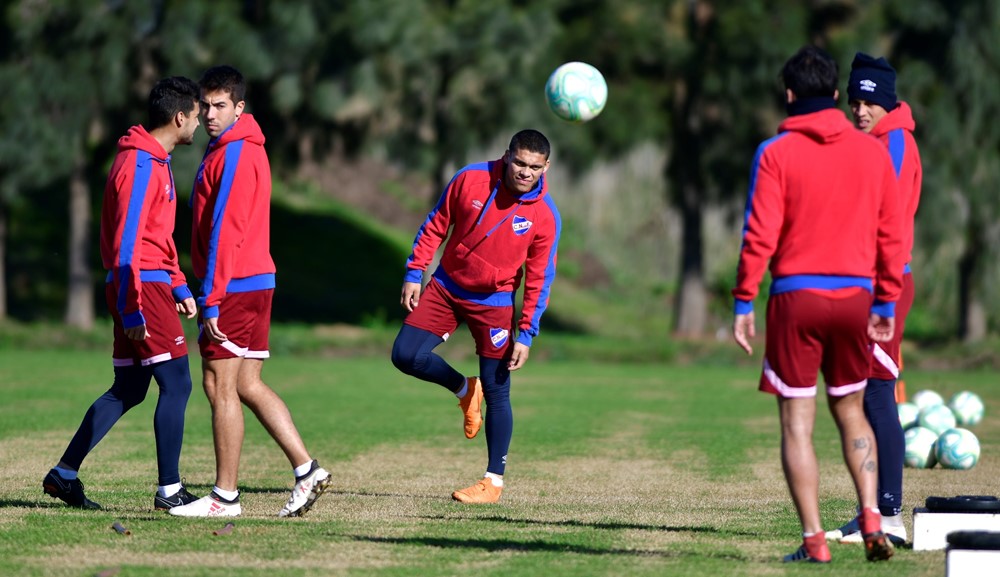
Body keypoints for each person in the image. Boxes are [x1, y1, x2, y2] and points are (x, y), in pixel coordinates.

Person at [731, 46, 905, 563]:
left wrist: (743, 300)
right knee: (853, 410)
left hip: (796, 299)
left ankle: (814, 543)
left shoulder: (775, 152)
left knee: (797, 423)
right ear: (835, 95)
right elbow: (891, 234)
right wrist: (887, 300)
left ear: (788, 95)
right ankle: (873, 517)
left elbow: (759, 234)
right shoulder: (872, 152)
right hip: (855, 297)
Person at [168, 65, 331, 518]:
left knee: (219, 385)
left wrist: (212, 297)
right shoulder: (229, 148)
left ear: (240, 107)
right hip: (254, 281)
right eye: (206, 106)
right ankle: (307, 470)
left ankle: (225, 498)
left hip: (235, 286)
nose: (211, 114)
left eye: (221, 105)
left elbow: (226, 230)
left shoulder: (236, 152)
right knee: (246, 384)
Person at [43, 77, 203, 511]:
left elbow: (158, 236)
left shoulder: (158, 161)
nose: (202, 123)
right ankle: (170, 491)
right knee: (178, 384)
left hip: (148, 282)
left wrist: (178, 282)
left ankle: (64, 474)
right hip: (138, 286)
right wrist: (133, 307)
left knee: (130, 388)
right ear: (180, 116)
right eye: (198, 114)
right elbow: (128, 245)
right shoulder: (139, 165)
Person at [391, 129, 560, 504]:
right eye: (519, 162)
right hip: (447, 287)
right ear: (506, 155)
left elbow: (539, 278)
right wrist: (414, 271)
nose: (524, 172)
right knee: (405, 355)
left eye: (534, 166)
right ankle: (465, 389)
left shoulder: (545, 216)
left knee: (498, 390)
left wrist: (527, 333)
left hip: (495, 302)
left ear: (546, 167)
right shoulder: (470, 178)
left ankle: (492, 483)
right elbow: (436, 223)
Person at [827, 52, 923, 546]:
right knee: (862, 395)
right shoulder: (874, 143)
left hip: (884, 285)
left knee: (879, 392)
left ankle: (889, 515)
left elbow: (888, 219)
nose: (860, 110)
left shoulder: (896, 144)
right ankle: (870, 510)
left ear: (886, 102)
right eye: (856, 100)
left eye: (869, 102)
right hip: (865, 283)